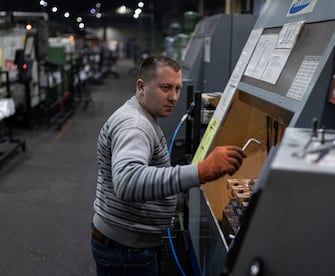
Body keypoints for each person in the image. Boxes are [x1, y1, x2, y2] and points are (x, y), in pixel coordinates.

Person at [91, 55, 246, 275]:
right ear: (141, 86)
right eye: (165, 88)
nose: (173, 97)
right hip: (127, 249)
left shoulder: (140, 115)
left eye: (177, 88)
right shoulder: (135, 126)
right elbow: (127, 182)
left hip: (126, 240)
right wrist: (201, 171)